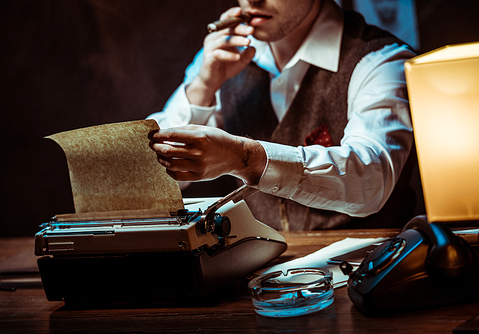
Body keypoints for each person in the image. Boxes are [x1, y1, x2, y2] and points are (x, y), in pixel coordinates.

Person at [148, 0, 423, 231]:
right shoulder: (221, 56)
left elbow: (370, 182)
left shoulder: (382, 61)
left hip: (366, 273)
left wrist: (246, 159)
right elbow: (154, 180)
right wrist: (203, 87)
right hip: (261, 276)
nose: (252, 0)